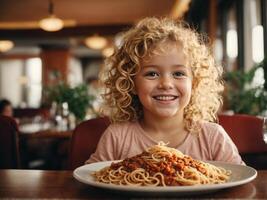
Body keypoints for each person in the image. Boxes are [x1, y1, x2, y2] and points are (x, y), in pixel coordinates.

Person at [86, 17, 243, 165]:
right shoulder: (117, 136)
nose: (166, 84)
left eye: (178, 74)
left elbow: (239, 180)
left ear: (194, 83)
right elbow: (92, 179)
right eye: (152, 74)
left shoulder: (212, 137)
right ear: (131, 83)